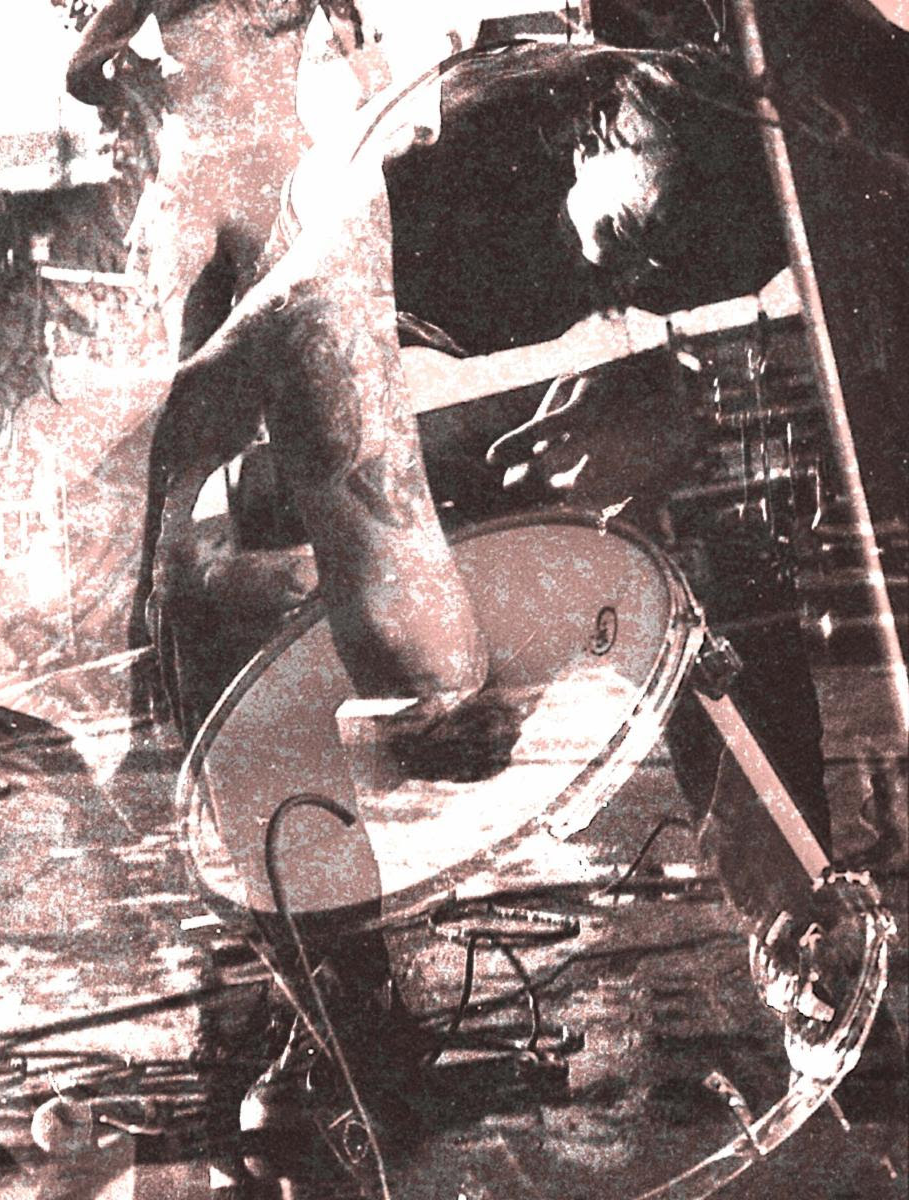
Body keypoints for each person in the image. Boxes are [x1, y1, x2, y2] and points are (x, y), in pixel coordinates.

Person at [137, 30, 863, 1196]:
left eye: (660, 257)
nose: (639, 266)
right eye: (628, 235)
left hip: (521, 409)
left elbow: (731, 341)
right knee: (260, 645)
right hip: (338, 407)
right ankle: (342, 1016)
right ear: (595, 136)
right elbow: (248, 424)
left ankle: (806, 954)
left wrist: (662, 406)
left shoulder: (721, 203)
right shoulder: (425, 179)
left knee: (727, 598)